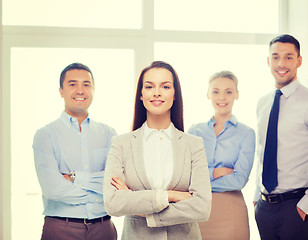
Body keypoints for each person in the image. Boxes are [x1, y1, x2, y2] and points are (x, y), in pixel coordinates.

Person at [103, 61, 212, 240]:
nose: (157, 92)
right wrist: (171, 196)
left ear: (175, 94)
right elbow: (113, 203)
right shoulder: (121, 144)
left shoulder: (194, 145)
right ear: (141, 94)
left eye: (165, 86)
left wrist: (139, 206)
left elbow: (202, 207)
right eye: (149, 86)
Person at [254, 34, 308, 240]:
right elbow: (263, 153)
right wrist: (257, 197)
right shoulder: (263, 103)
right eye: (275, 57)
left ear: (299, 61)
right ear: (268, 61)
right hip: (265, 209)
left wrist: (305, 206)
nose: (281, 63)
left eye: (289, 57)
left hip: (296, 207)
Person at [33, 62, 117, 240]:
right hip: (60, 228)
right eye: (72, 84)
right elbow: (53, 189)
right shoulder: (45, 135)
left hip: (104, 229)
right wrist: (99, 193)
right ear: (61, 91)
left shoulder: (110, 134)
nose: (80, 90)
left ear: (93, 90)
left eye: (86, 84)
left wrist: (73, 177)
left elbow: (116, 182)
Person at [188, 71, 255, 240]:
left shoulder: (246, 133)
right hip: (197, 211)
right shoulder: (194, 132)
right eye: (216, 91)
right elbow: (186, 175)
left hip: (231, 210)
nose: (222, 97)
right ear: (208, 94)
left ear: (237, 95)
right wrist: (216, 172)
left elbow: (239, 180)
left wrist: (200, 181)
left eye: (229, 91)